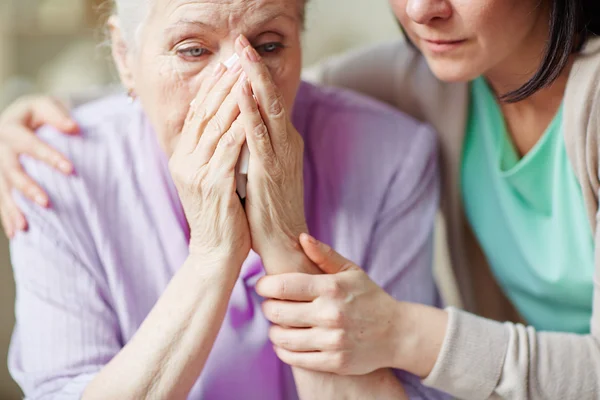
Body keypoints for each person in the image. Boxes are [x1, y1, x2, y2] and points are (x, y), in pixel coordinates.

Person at [0, 0, 447, 399]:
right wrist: (213, 256)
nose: (240, 90)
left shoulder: (393, 156)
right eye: (193, 50)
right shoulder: (53, 173)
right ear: (124, 57)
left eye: (269, 47)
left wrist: (285, 240)